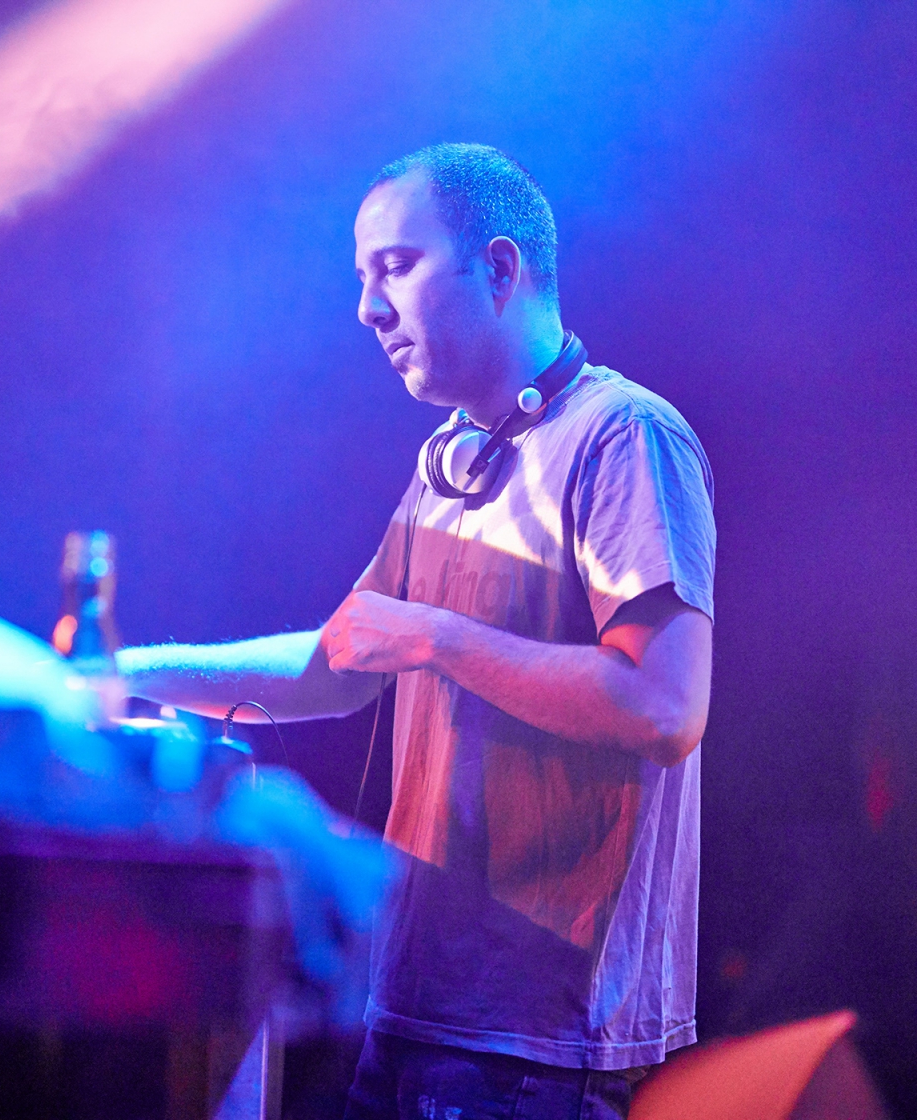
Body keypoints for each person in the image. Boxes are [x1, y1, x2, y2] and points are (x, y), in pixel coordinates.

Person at [118, 143, 715, 1120]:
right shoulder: (452, 454)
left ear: (500, 269)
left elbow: (663, 705)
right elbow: (340, 663)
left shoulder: (623, 437)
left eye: (395, 267)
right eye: (362, 278)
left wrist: (437, 636)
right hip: (411, 1017)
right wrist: (120, 673)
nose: (368, 308)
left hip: (535, 1053)